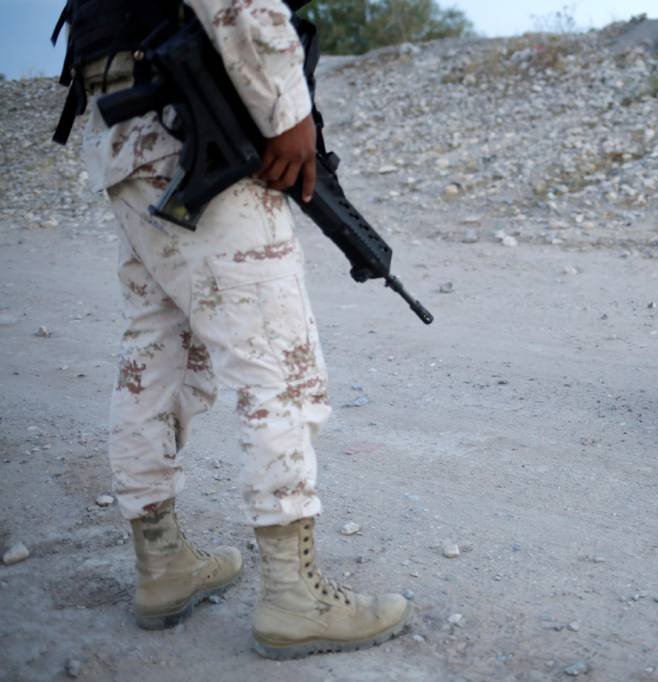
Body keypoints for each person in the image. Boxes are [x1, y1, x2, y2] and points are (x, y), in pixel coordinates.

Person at [51, 0, 410, 659]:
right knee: (279, 359)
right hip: (188, 115)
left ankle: (161, 565)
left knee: (157, 353)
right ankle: (294, 595)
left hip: (127, 129)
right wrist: (287, 110)